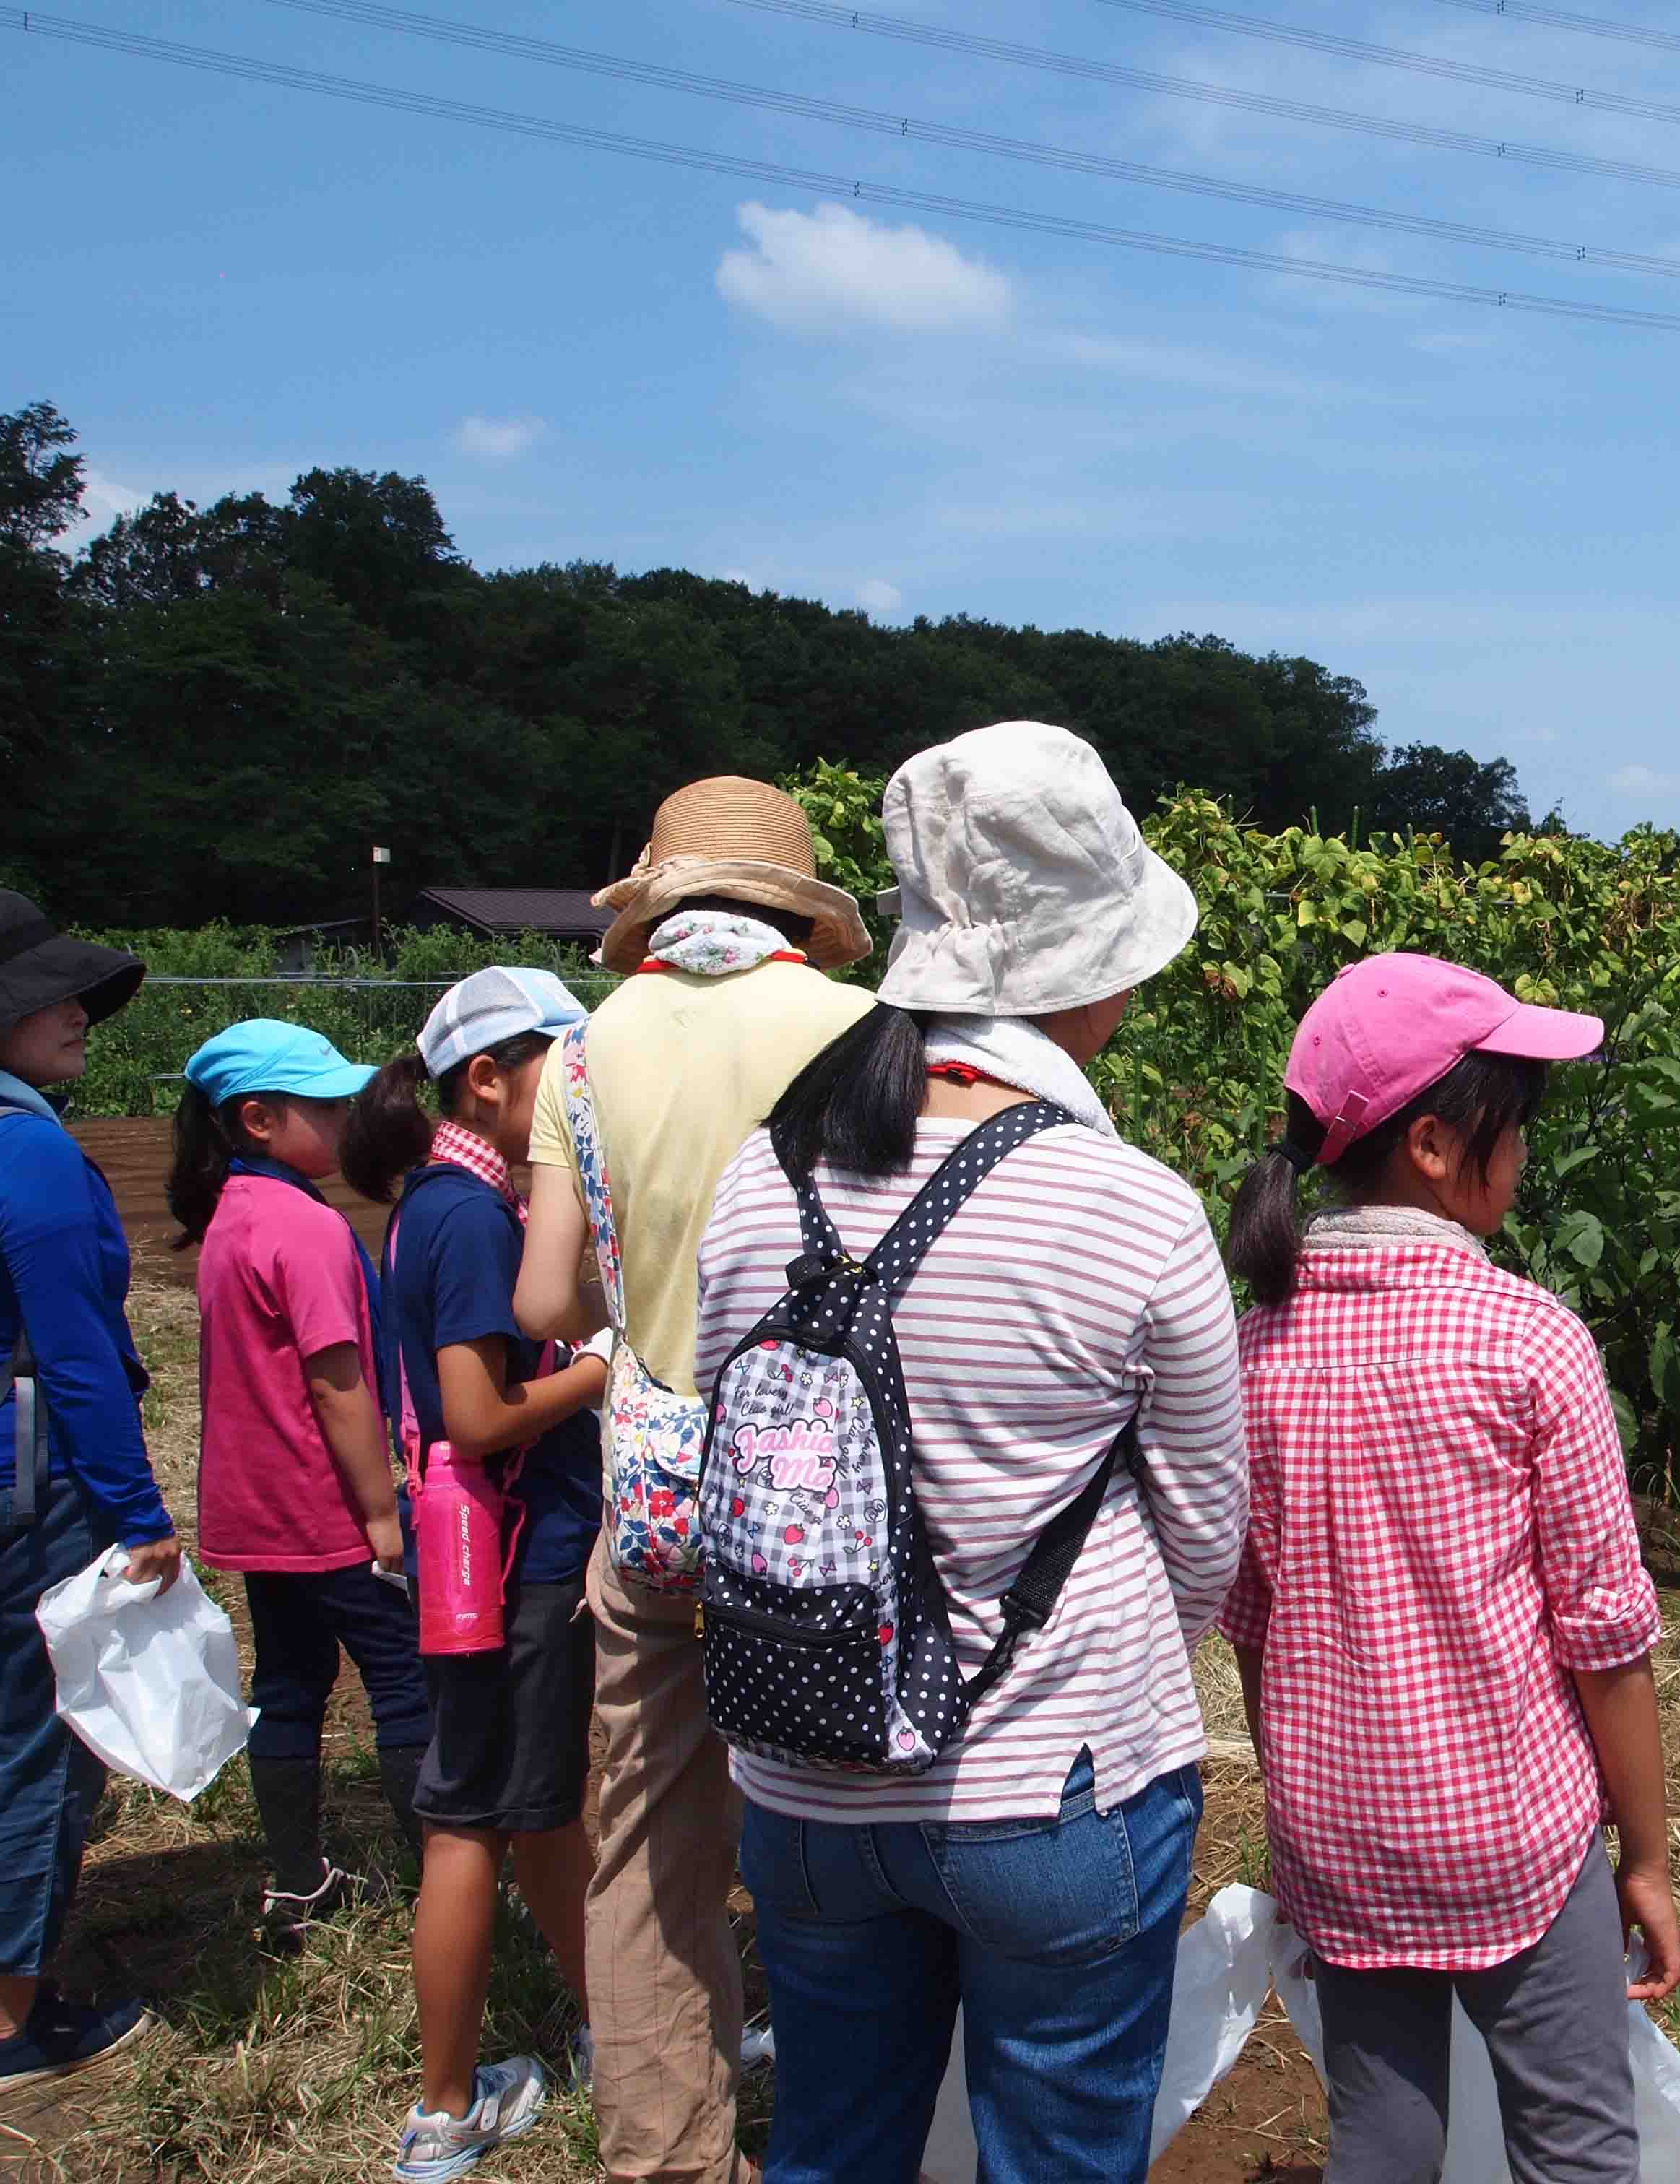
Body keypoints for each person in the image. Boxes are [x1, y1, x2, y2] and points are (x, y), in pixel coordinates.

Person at [692, 721, 1245, 2184]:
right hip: (1054, 1788)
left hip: (804, 1786)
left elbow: (723, 1464)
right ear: (1093, 969)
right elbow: (1203, 1536)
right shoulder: (1128, 1206)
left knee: (831, 2148)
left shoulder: (764, 1177)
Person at [1221, 952, 1680, 2184]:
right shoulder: (1527, 1339)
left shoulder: (1250, 1341)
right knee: (1574, 2137)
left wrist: (1304, 1804)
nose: (1524, 1152)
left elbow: (1250, 1624)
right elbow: (1604, 1638)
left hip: (1337, 1827)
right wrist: (1641, 1852)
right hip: (1508, 1830)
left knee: (1379, 2130)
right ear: (1433, 1141)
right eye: (1514, 1124)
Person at [513, 776, 875, 2184]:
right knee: (846, 1825)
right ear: (795, 905)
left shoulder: (584, 1054)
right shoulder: (860, 1037)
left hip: (657, 1507)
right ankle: (860, 2127)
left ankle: (666, 2156)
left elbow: (549, 1298)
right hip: (821, 1511)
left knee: (649, 1841)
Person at [0, 888, 173, 2095]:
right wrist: (140, 1513)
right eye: (43, 996)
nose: (74, 1013)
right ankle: (4, 2022)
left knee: (1, 1728)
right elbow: (76, 1354)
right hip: (36, 1480)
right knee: (46, 1754)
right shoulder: (24, 1150)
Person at [342, 969, 607, 2182]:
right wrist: (606, 1363)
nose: (578, 1080)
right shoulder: (464, 1215)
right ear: (485, 1077)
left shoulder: (450, 1200)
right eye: (558, 1057)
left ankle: (618, 2025)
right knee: (469, 1821)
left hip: (491, 1560)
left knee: (534, 1807)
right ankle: (445, 2109)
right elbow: (478, 1411)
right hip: (510, 1563)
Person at [167, 1020, 425, 1945]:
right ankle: (443, 1886)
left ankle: (296, 1879)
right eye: (326, 1107)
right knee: (403, 1684)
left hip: (258, 1509)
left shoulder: (229, 1217)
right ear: (261, 1120)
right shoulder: (306, 1226)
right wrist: (381, 1514)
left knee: (288, 1684)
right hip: (327, 1508)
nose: (346, 1120)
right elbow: (336, 1380)